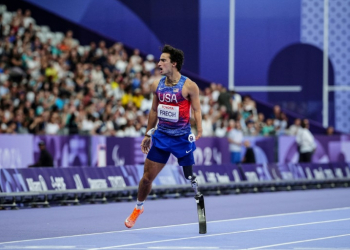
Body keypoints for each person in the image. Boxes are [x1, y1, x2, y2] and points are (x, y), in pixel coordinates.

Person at [124, 45, 203, 228]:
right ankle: (138, 207)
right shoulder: (156, 84)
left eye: (163, 60)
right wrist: (147, 134)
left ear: (173, 64)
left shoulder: (190, 86)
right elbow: (153, 110)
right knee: (146, 178)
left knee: (189, 177)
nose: (159, 63)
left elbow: (197, 110)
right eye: (159, 60)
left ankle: (197, 192)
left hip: (182, 138)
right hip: (161, 137)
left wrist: (199, 130)